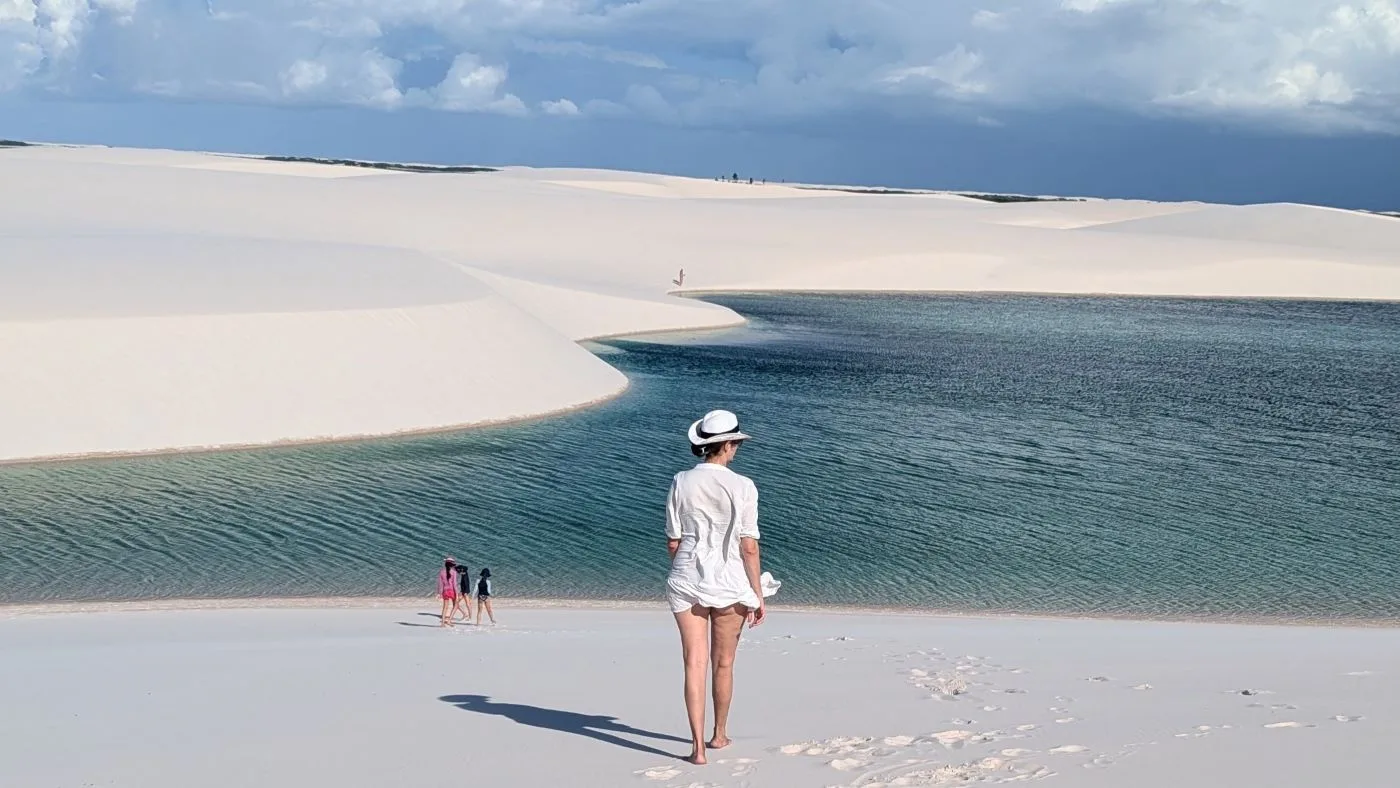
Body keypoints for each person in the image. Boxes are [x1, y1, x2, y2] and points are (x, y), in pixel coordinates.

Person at [666, 409, 769, 766]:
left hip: (687, 579)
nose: (737, 448)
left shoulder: (681, 480)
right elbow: (749, 546)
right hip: (730, 582)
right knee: (723, 664)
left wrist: (689, 567)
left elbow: (674, 541)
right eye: (736, 443)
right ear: (726, 445)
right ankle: (719, 734)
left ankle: (697, 749)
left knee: (693, 664)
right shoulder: (744, 486)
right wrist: (757, 595)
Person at [437, 558, 459, 628]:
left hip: (445, 591)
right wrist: (457, 594)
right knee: (456, 605)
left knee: (445, 607)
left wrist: (439, 593)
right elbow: (454, 584)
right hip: (452, 591)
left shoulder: (441, 572)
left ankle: (442, 623)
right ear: (452, 565)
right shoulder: (454, 572)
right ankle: (449, 620)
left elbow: (440, 584)